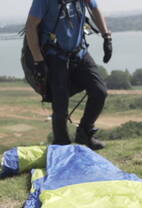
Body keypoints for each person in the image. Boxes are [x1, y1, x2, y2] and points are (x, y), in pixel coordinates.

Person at [26, 0, 112, 150]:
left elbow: (95, 9)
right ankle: (62, 144)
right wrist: (38, 60)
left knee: (99, 91)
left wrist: (107, 37)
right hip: (55, 56)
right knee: (60, 104)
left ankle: (85, 133)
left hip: (80, 52)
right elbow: (31, 27)